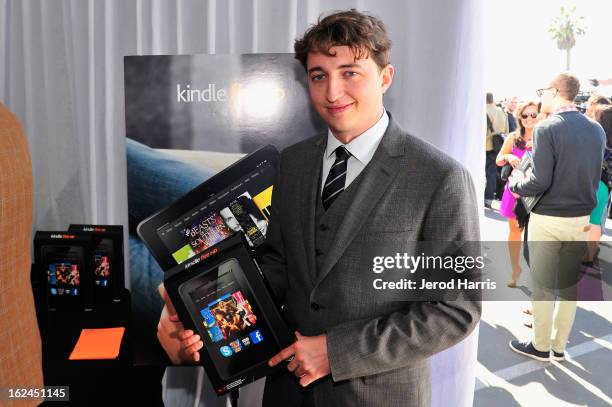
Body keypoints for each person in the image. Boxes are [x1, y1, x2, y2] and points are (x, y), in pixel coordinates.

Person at [171, 9, 481, 407]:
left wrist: (335, 353)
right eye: (319, 76)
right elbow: (279, 265)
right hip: (287, 393)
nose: (332, 92)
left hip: (379, 396)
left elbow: (455, 310)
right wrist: (210, 307)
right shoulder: (293, 163)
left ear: (385, 77)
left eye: (350, 72)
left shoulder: (441, 177)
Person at [508, 73, 605, 362]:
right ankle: (559, 347)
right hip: (581, 217)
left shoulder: (546, 128)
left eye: (544, 91)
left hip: (549, 216)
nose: (542, 97)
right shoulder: (596, 130)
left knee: (543, 285)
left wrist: (515, 183)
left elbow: (538, 181)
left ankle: (540, 345)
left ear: (554, 91)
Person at [496, 101, 538, 287]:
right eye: (525, 115)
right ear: (519, 118)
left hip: (537, 194)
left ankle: (534, 275)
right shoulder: (513, 138)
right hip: (514, 192)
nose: (529, 119)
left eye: (533, 115)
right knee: (514, 231)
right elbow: (498, 160)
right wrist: (508, 156)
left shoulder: (544, 137)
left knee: (535, 237)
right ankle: (515, 270)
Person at [584, 104, 612, 267]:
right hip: (604, 187)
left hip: (588, 181)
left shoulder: (594, 136)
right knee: (595, 221)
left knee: (580, 220)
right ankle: (589, 256)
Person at [486, 92, 510, 207]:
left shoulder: (483, 111)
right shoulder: (502, 112)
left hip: (486, 146)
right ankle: (492, 196)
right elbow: (506, 131)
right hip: (499, 146)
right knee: (494, 172)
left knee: (486, 172)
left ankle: (484, 196)